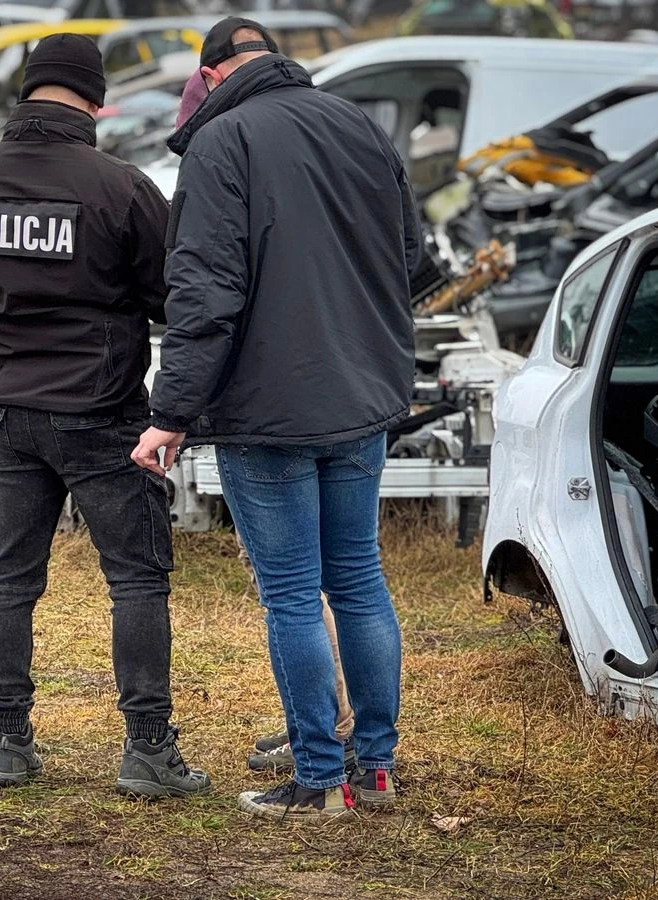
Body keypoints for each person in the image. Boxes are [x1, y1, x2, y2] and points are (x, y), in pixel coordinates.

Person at [132, 18, 421, 822]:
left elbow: (203, 295)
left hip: (266, 410)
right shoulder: (356, 123)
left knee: (292, 595)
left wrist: (171, 413)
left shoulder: (222, 143)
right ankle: (377, 768)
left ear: (213, 76)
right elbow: (414, 260)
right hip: (361, 397)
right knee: (359, 581)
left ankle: (320, 779)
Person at [0, 34, 210, 800]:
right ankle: (147, 750)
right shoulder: (122, 186)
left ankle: (7, 742)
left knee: (9, 578)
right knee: (136, 580)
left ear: (26, 92)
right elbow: (167, 295)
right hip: (103, 412)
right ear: (96, 98)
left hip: (6, 411)